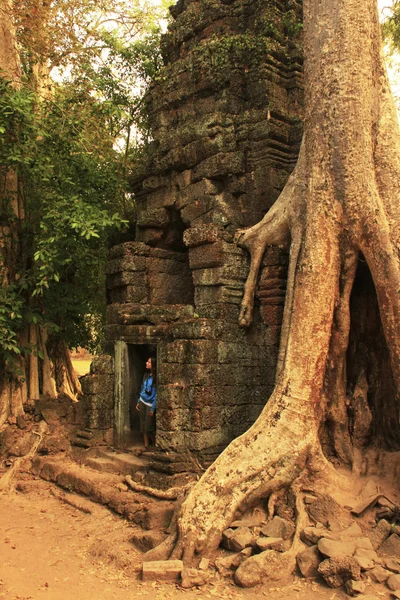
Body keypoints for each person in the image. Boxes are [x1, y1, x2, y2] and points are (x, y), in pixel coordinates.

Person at [136, 357, 156, 450]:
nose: (146, 363)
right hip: (143, 401)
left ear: (153, 365)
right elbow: (143, 389)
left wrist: (153, 408)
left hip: (150, 404)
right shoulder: (146, 375)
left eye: (148, 362)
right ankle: (146, 446)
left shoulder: (156, 378)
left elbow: (156, 394)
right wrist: (138, 401)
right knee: (143, 425)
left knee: (149, 426)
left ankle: (155, 444)